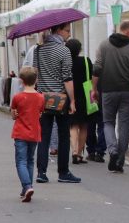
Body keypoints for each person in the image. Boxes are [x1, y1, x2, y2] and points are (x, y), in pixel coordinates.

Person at [33, 23, 82, 183]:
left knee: (44, 136)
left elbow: (36, 73)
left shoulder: (38, 49)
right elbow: (67, 78)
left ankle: (41, 172)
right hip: (61, 98)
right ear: (59, 30)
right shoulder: (64, 50)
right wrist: (73, 100)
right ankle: (63, 172)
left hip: (43, 97)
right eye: (67, 30)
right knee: (63, 135)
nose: (69, 34)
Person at [98, 21, 129, 173]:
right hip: (127, 91)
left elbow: (97, 68)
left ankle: (112, 151)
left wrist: (93, 89)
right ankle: (119, 161)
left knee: (108, 122)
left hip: (108, 90)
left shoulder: (104, 45)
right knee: (124, 126)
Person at [9, 67, 45, 203]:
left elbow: (13, 115)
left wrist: (16, 113)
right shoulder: (40, 98)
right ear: (36, 80)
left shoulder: (18, 97)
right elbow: (40, 113)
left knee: (21, 162)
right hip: (34, 133)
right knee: (30, 160)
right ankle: (26, 188)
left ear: (21, 81)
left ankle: (27, 186)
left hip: (20, 132)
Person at [67, 38, 96, 165]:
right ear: (79, 49)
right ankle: (79, 154)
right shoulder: (86, 60)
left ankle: (73, 151)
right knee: (84, 125)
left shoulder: (66, 62)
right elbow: (91, 76)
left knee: (73, 125)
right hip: (85, 95)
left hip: (71, 94)